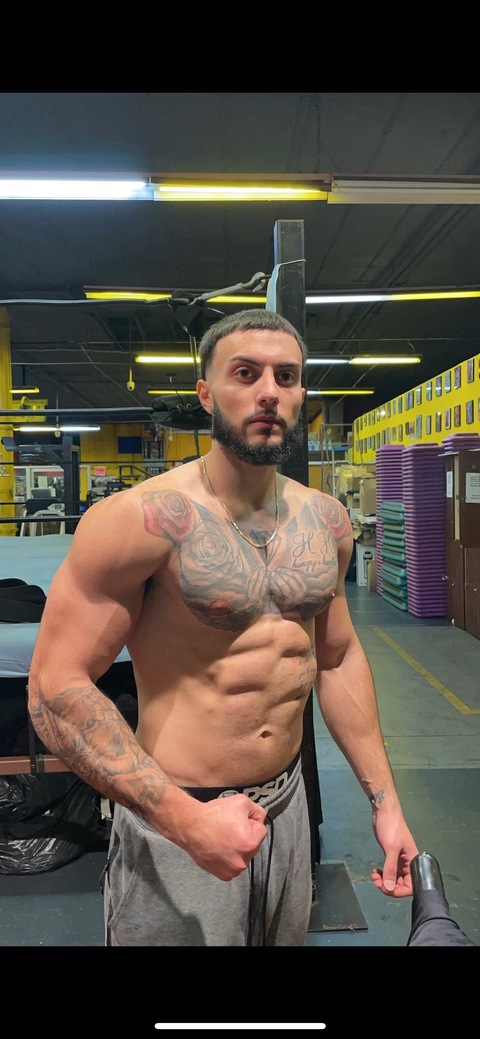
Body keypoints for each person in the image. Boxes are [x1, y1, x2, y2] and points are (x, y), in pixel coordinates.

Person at [27, 308, 418, 947]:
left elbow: (338, 658)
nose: (268, 391)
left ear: (301, 395)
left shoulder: (326, 521)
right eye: (245, 373)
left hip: (286, 808)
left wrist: (387, 803)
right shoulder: (140, 520)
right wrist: (185, 821)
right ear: (206, 393)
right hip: (179, 812)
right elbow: (53, 687)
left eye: (286, 376)